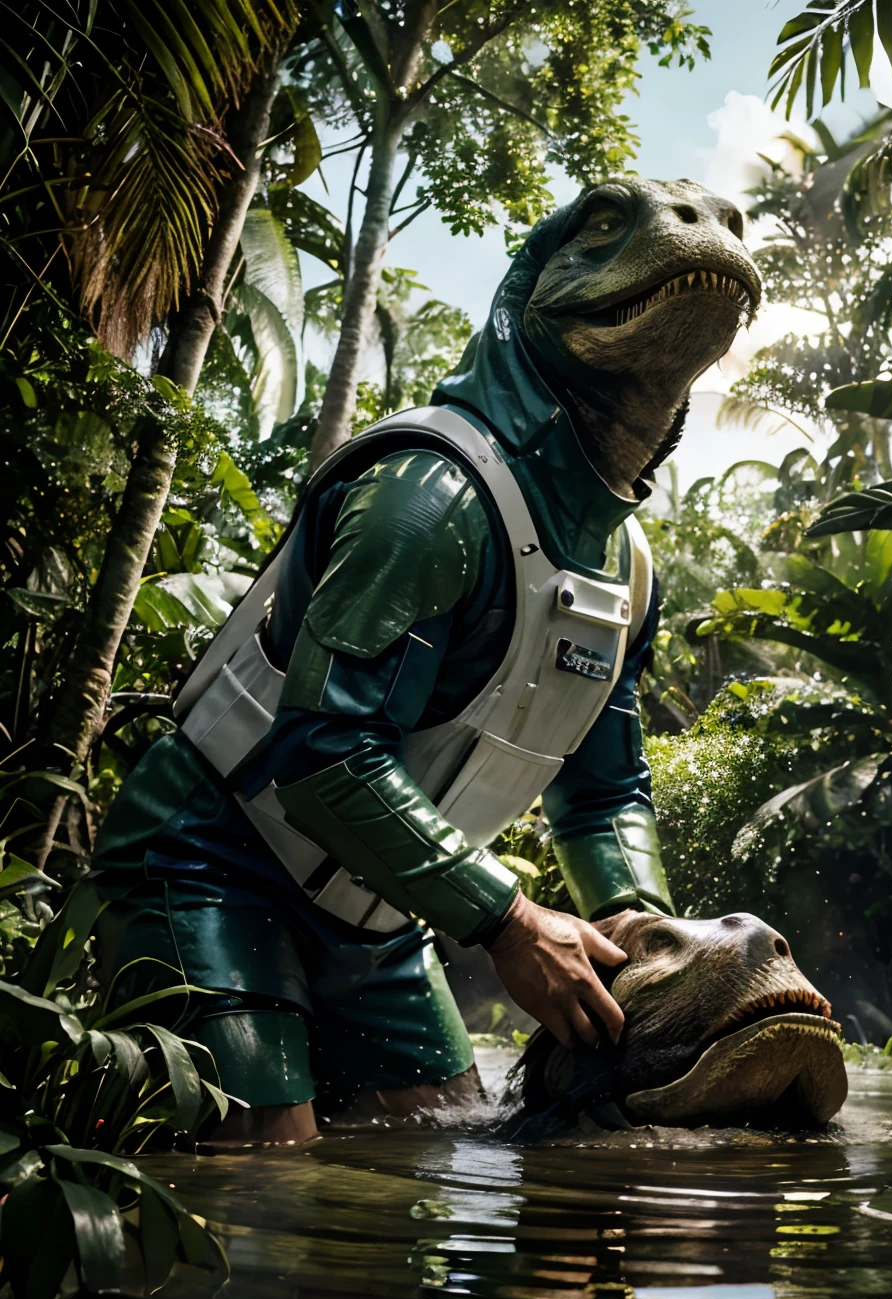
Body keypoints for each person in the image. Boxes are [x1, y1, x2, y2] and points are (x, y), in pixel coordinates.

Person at [92, 177, 761, 1143]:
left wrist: (642, 934)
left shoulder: (629, 572)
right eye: (608, 227)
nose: (710, 229)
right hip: (209, 858)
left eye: (726, 220)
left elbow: (604, 792)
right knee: (264, 1175)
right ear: (531, 290)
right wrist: (510, 922)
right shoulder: (430, 496)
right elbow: (325, 753)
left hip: (377, 914)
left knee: (430, 1149)